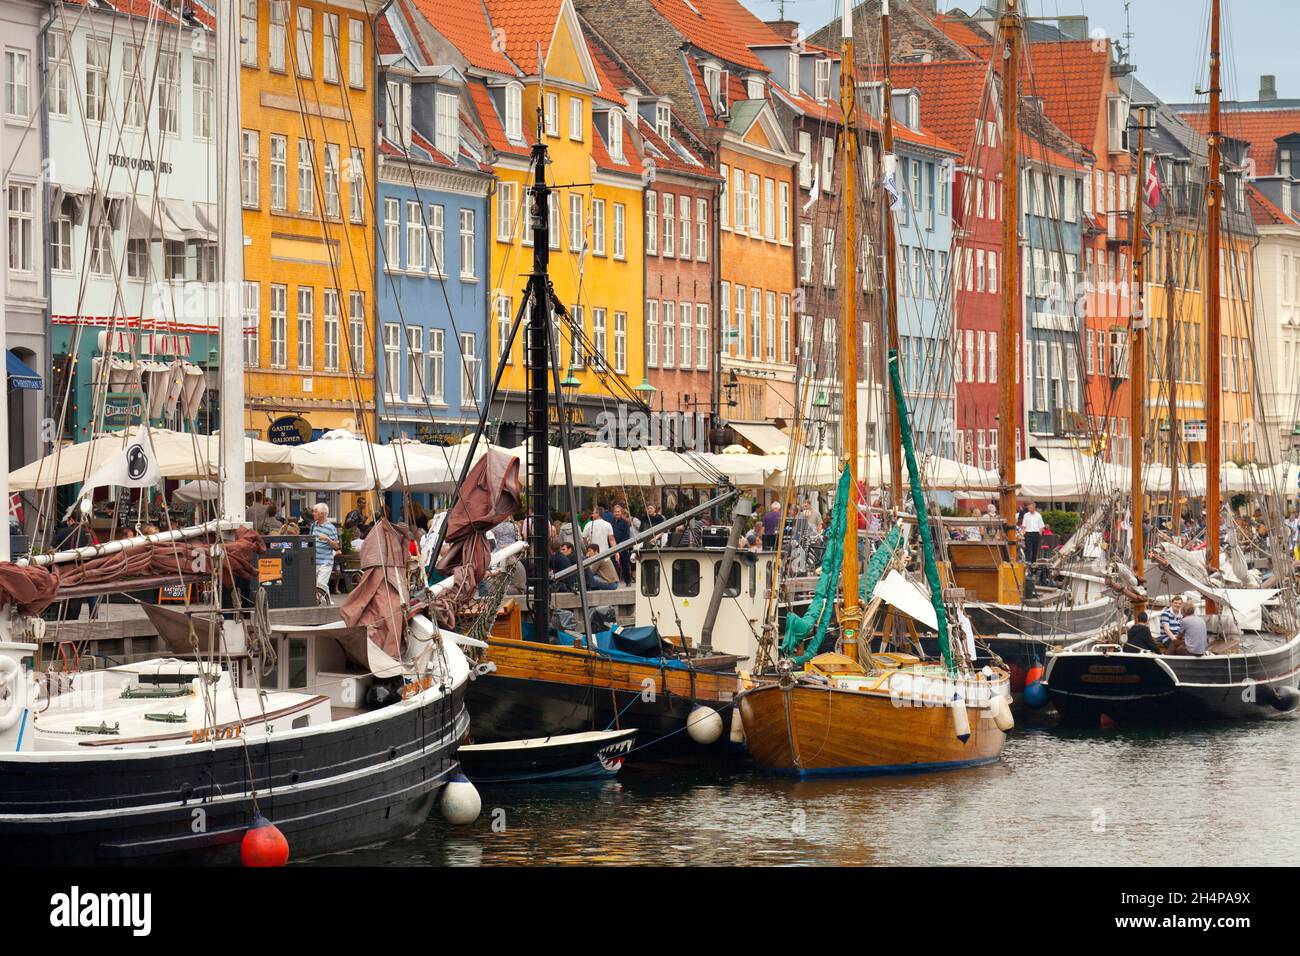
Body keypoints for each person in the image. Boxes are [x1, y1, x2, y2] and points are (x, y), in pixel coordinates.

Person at [310, 504, 341, 603]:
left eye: (315, 511)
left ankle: (326, 602)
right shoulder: (313, 525)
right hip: (314, 561)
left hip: (325, 561)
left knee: (320, 583)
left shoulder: (331, 528)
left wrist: (327, 539)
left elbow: (337, 547)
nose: (313, 513)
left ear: (322, 514)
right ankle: (328, 601)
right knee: (315, 585)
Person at [610, 503, 634, 584]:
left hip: (622, 546)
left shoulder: (625, 522)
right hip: (612, 547)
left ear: (621, 512)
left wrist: (621, 544)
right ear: (613, 513)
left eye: (618, 512)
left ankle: (628, 581)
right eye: (615, 512)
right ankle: (613, 581)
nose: (617, 513)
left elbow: (627, 535)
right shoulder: (611, 522)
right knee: (612, 564)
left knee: (625, 564)